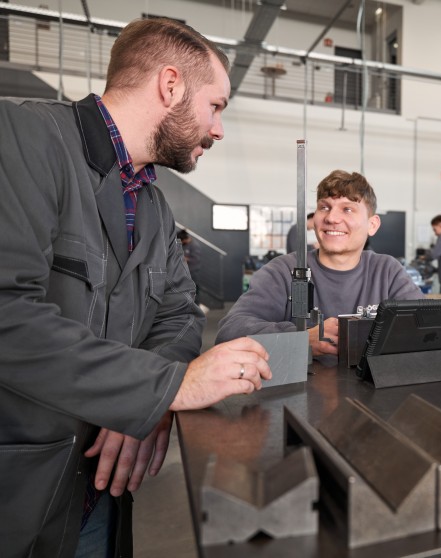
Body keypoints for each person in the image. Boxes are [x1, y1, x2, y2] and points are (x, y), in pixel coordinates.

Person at [0, 18, 273, 558]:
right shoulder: (26, 139)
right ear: (170, 85)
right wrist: (163, 390)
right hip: (20, 494)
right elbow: (8, 316)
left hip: (100, 493)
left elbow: (180, 315)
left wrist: (142, 407)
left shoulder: (150, 203)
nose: (218, 130)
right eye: (215, 106)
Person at [217, 170, 423, 356]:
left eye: (347, 209)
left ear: (372, 224)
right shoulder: (283, 271)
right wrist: (300, 338)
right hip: (298, 394)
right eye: (324, 207)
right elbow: (230, 331)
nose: (332, 218)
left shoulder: (387, 271)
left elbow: (427, 326)